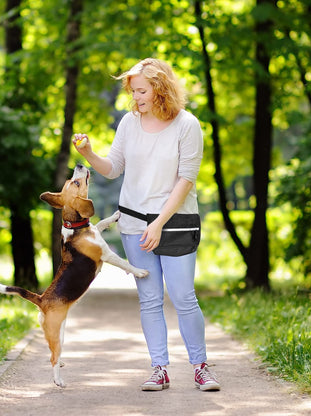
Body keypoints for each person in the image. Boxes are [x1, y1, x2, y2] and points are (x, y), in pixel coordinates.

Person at [73, 58, 220, 392]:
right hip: (134, 223)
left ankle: (200, 367)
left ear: (160, 88)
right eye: (133, 90)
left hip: (177, 223)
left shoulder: (187, 125)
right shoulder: (129, 123)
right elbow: (113, 169)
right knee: (150, 300)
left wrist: (158, 225)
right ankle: (159, 368)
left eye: (141, 90)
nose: (135, 97)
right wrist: (89, 153)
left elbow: (186, 180)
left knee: (183, 296)